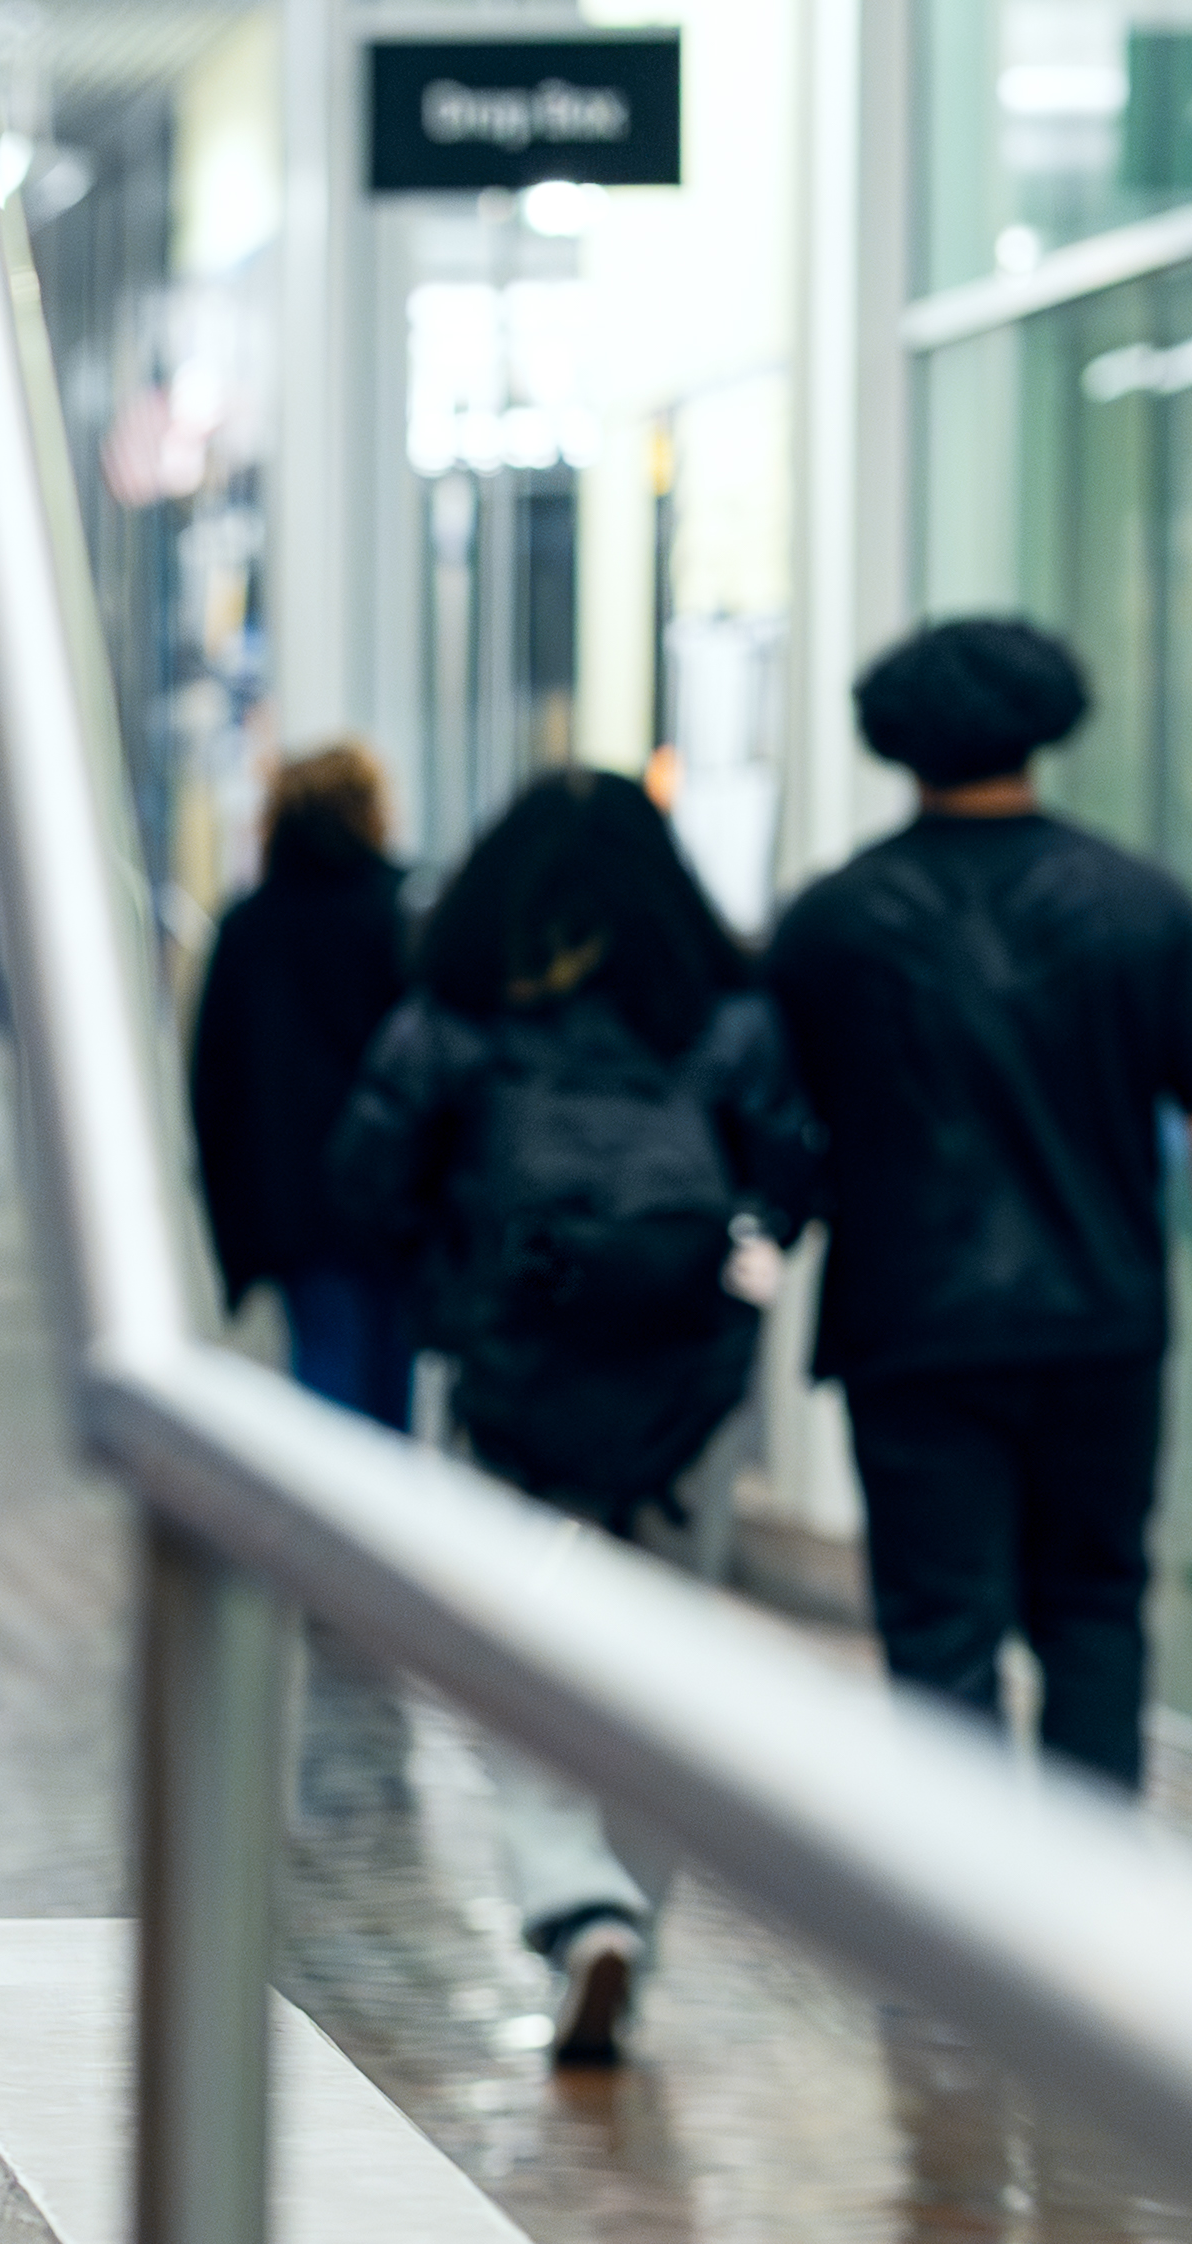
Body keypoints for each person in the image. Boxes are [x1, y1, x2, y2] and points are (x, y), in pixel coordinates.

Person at [331, 771, 820, 2062]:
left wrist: (451, 1273)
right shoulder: (719, 1016)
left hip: (505, 1381)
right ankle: (631, 1926)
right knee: (657, 1658)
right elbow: (789, 1167)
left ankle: (571, 1902)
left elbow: (366, 1182)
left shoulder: (455, 1013)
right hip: (683, 1394)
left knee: (511, 1653)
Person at [766, 618, 1192, 1794]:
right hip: (1099, 1318)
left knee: (938, 1637)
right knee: (1095, 1611)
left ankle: (956, 1934)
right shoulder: (1142, 907)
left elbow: (776, 1125)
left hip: (911, 1324)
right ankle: (1087, 1922)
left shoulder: (832, 922)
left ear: (897, 743)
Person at [190, 741, 418, 1425]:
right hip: (393, 1196)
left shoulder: (248, 927)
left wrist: (232, 1223)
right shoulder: (401, 913)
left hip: (296, 1202)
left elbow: (214, 1086)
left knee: (327, 1384)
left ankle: (333, 1525)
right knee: (391, 1388)